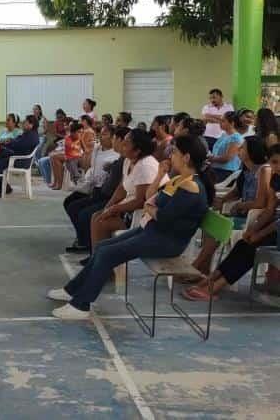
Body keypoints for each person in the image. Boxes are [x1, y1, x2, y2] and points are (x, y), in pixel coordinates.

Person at [49, 135, 213, 319]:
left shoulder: (191, 186)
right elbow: (152, 196)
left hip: (167, 241)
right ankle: (72, 290)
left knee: (107, 254)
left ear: (186, 157)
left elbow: (163, 216)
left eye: (174, 152)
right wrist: (159, 174)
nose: (170, 156)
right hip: (153, 231)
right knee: (103, 247)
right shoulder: (179, 180)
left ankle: (81, 305)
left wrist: (151, 208)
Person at [182, 143, 280, 302]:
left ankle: (215, 287)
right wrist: (252, 230)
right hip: (274, 229)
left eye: (277, 162)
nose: (274, 166)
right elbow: (269, 210)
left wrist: (259, 233)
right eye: (273, 162)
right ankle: (210, 279)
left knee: (251, 250)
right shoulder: (276, 179)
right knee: (243, 243)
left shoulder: (268, 173)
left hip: (276, 231)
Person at [189, 136, 272, 279]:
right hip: (241, 214)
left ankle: (195, 268)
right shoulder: (245, 169)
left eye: (242, 148)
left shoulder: (264, 170)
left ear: (252, 151)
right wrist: (221, 200)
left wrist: (241, 205)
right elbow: (236, 191)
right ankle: (202, 270)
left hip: (252, 219)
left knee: (217, 229)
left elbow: (261, 203)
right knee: (210, 225)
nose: (239, 150)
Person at [87, 128, 164, 254]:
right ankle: (97, 260)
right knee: (97, 215)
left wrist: (114, 209)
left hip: (142, 216)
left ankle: (101, 262)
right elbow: (122, 187)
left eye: (127, 143)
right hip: (129, 209)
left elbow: (140, 201)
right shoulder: (128, 160)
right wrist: (108, 207)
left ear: (137, 150)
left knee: (101, 222)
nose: (122, 144)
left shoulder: (145, 166)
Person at [63, 125, 122, 252]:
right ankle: (82, 237)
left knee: (82, 213)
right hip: (93, 187)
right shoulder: (97, 149)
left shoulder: (117, 154)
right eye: (100, 133)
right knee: (69, 202)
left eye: (105, 134)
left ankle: (86, 242)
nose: (101, 136)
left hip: (105, 192)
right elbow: (87, 166)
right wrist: (87, 149)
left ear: (114, 138)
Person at [0, 114, 40, 197]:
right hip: (16, 157)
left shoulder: (31, 136)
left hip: (20, 160)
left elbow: (19, 146)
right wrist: (9, 142)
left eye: (25, 122)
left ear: (31, 124)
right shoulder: (29, 134)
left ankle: (1, 190)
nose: (23, 124)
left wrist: (9, 142)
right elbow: (18, 142)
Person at [208, 111, 242, 183]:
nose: (220, 123)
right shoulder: (224, 135)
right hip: (216, 169)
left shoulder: (235, 137)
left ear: (232, 123)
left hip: (226, 172)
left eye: (223, 121)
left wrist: (211, 158)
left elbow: (227, 158)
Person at [50, 121, 83, 190]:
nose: (80, 133)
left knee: (55, 158)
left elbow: (82, 149)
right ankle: (56, 182)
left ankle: (59, 184)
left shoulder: (80, 137)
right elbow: (69, 149)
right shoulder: (69, 137)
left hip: (77, 156)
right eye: (79, 132)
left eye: (80, 132)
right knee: (53, 157)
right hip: (71, 155)